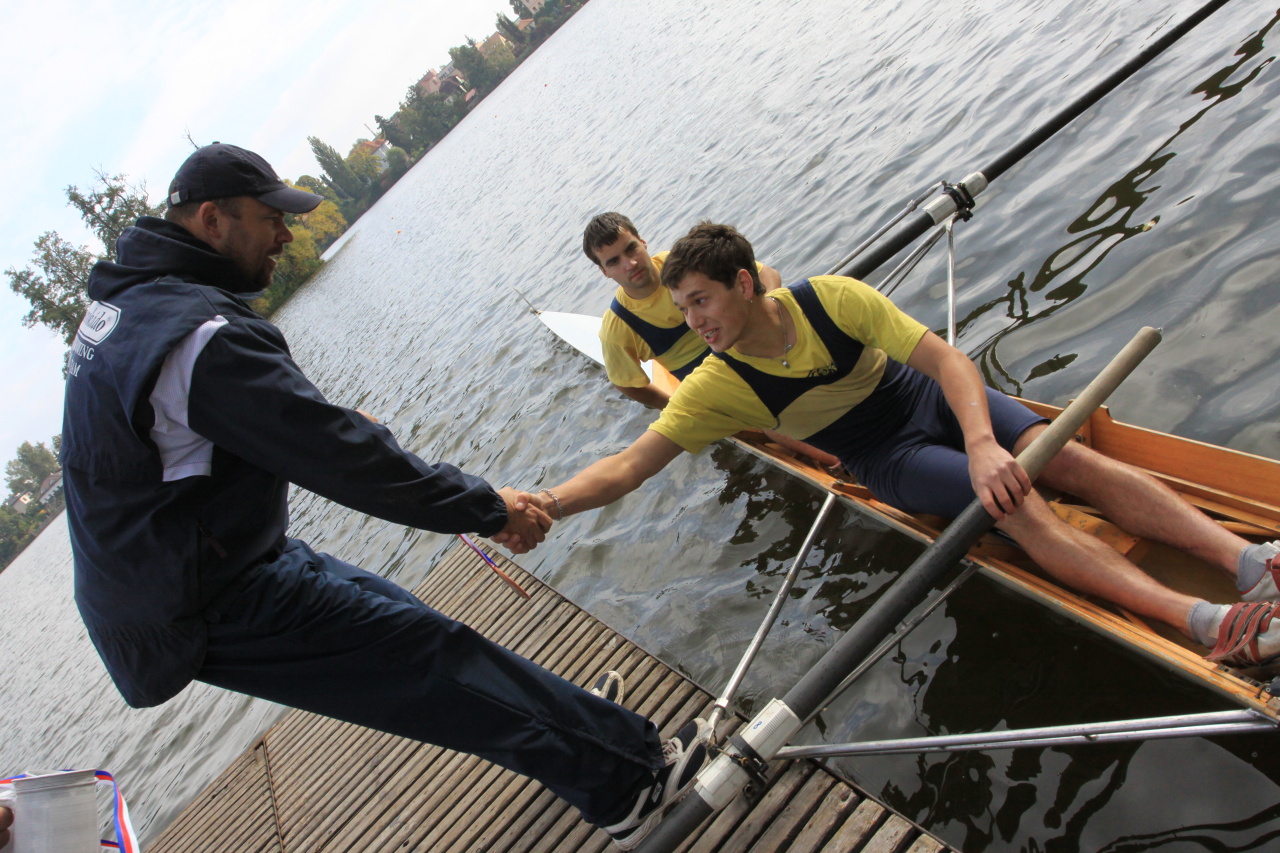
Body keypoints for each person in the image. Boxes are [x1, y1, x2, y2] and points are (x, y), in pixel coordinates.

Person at [60, 143, 706, 849]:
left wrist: (318, 430)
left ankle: (584, 734)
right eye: (271, 219)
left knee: (413, 625)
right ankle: (627, 779)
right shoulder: (194, 335)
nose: (287, 235)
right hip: (192, 600)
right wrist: (490, 508)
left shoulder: (132, 304)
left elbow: (199, 444)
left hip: (212, 558)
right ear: (213, 220)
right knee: (428, 662)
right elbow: (348, 462)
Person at [513, 222, 1280, 669]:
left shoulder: (831, 298)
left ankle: (1249, 562)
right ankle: (1202, 622)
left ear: (745, 284)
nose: (693, 323)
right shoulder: (715, 386)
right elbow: (629, 465)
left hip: (923, 395)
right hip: (882, 454)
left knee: (1066, 454)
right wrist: (548, 501)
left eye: (701, 302)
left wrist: (983, 440)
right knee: (1019, 505)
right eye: (682, 310)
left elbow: (948, 362)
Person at [585, 212, 841, 469]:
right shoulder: (618, 327)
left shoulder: (686, 263)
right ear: (604, 271)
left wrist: (766, 321)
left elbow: (768, 276)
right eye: (614, 261)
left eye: (631, 248)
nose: (630, 264)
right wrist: (676, 406)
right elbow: (627, 384)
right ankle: (837, 462)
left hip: (750, 349)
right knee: (759, 402)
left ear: (642, 241)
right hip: (717, 384)